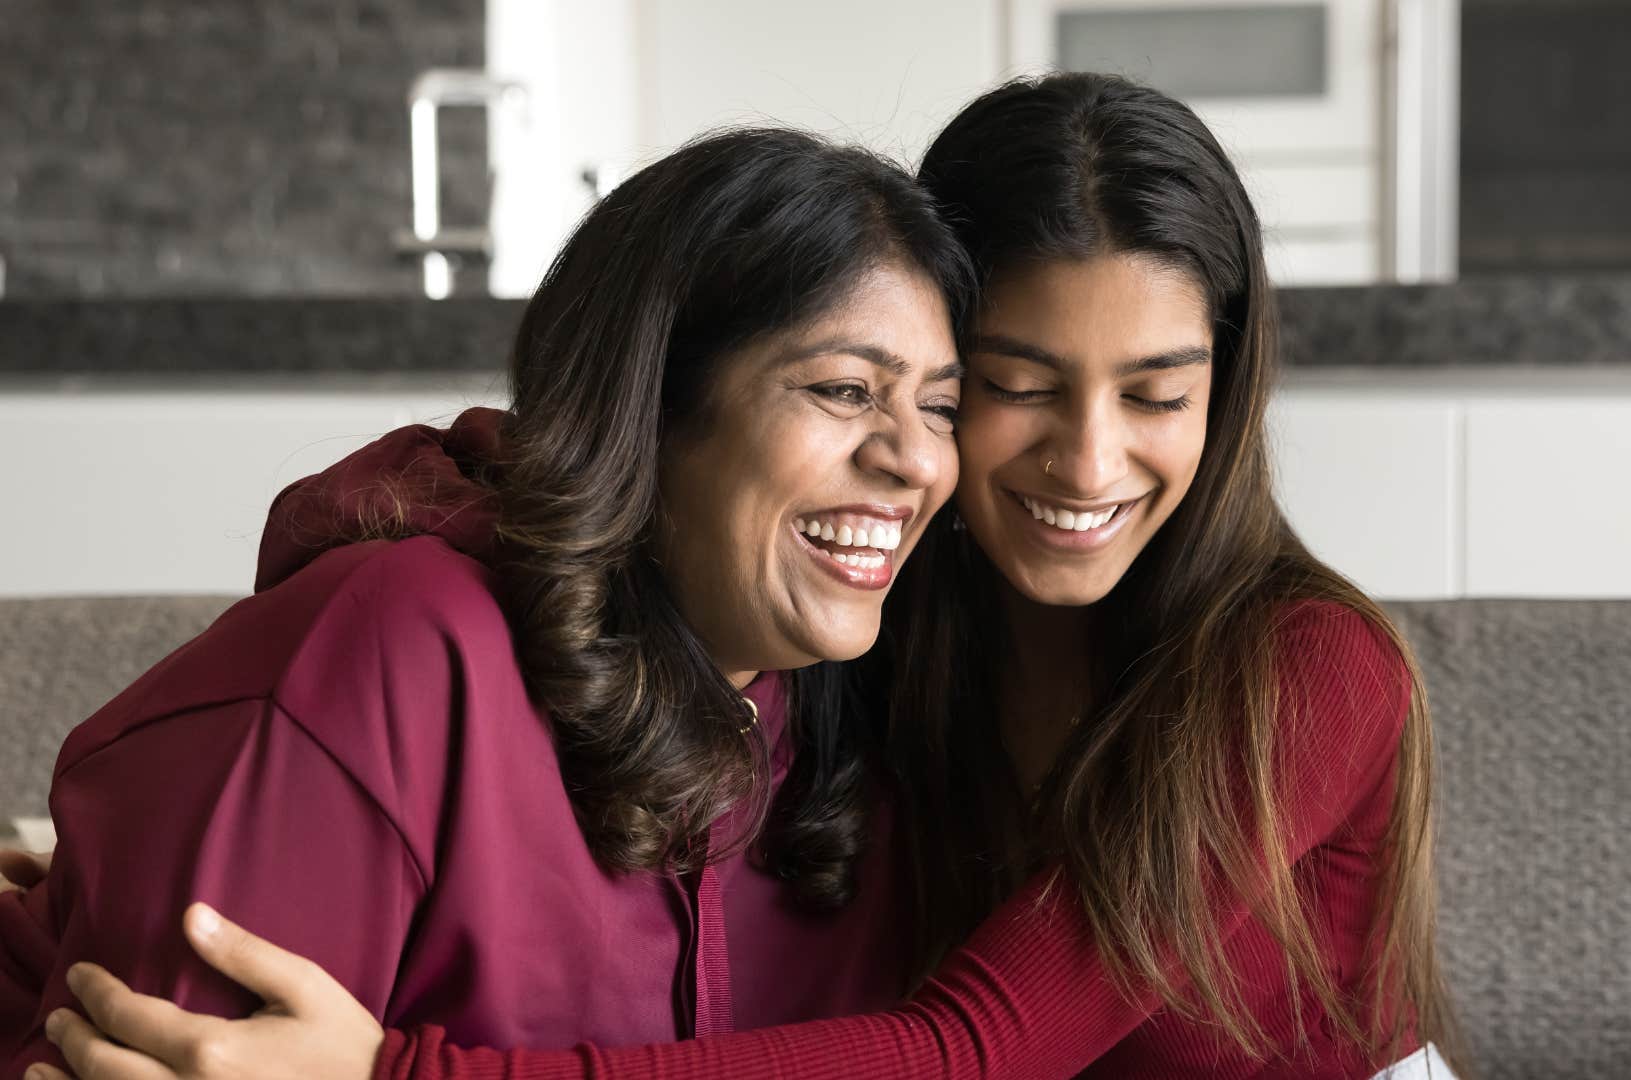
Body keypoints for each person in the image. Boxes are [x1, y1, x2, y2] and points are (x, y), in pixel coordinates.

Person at [29, 73, 1462, 1080]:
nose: (1088, 463)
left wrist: (395, 1075)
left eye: (1159, 393)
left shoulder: (1300, 669)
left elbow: (966, 1053)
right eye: (1013, 389)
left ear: (1231, 392)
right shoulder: (881, 624)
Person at [0, 128, 972, 1074]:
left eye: (940, 406)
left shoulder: (882, 714)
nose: (918, 458)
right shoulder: (401, 645)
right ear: (653, 409)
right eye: (846, 390)